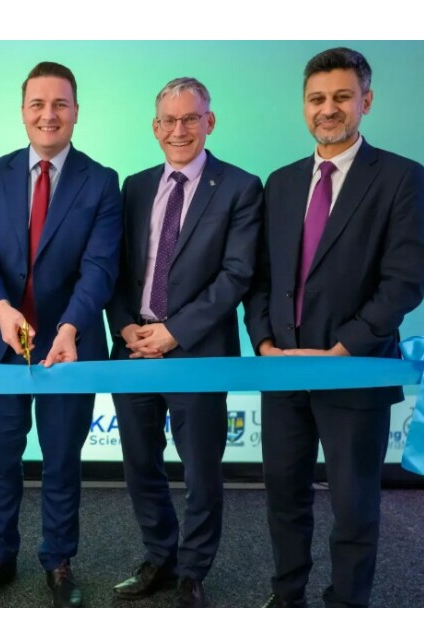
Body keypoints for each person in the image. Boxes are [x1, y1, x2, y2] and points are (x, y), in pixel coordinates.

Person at [244, 47, 424, 607]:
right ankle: (287, 597)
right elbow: (261, 276)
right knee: (284, 497)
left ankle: (346, 607)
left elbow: (404, 281)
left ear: (366, 101)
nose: (329, 108)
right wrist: (264, 342)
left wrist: (345, 348)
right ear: (304, 105)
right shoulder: (280, 182)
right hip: (283, 370)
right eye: (317, 98)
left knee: (354, 506)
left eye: (342, 96)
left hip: (354, 371)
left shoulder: (402, 178)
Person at [0, 61, 122, 608]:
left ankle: (58, 560)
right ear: (23, 111)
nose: (48, 114)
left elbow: (99, 267)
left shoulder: (101, 181)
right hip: (1, 344)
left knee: (61, 461)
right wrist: (1, 308)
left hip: (68, 348)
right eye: (38, 104)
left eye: (60, 104)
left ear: (76, 111)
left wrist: (71, 326)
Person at [106, 78, 263, 607]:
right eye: (169, 121)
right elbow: (115, 268)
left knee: (201, 471)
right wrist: (124, 326)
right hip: (133, 349)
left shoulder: (241, 187)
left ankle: (193, 570)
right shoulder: (134, 186)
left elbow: (236, 274)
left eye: (190, 118)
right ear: (155, 128)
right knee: (140, 465)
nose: (179, 130)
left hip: (198, 352)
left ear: (209, 122)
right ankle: (159, 556)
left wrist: (173, 331)